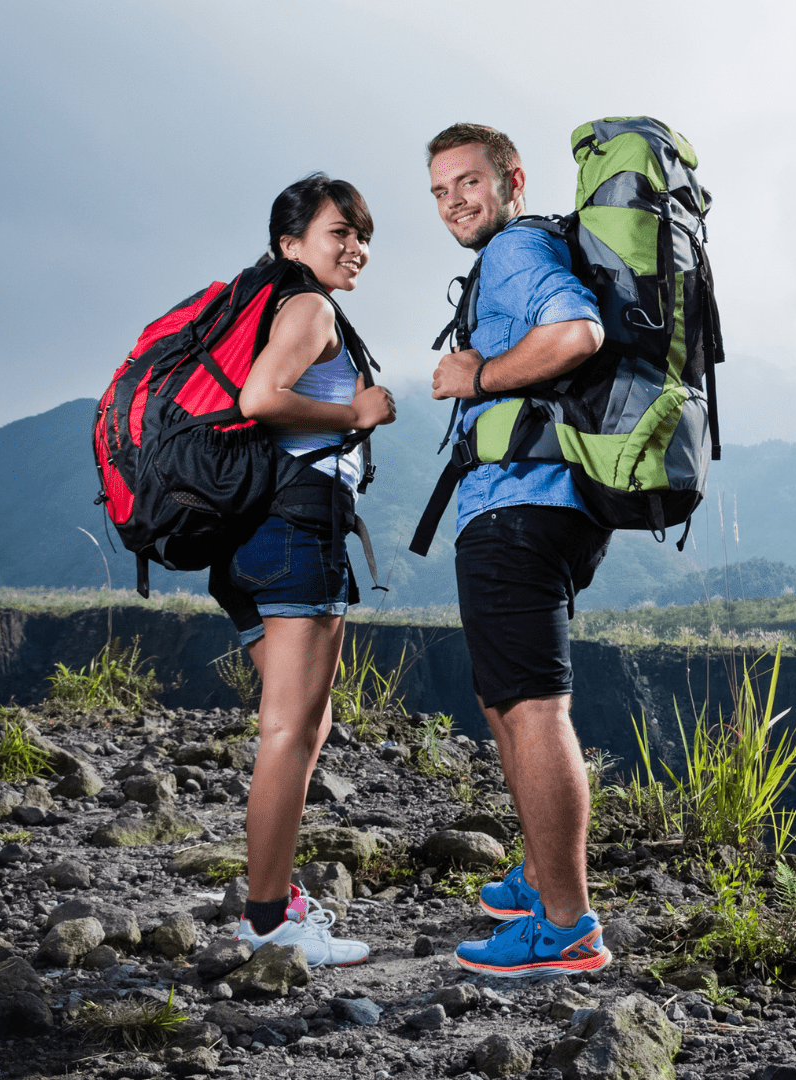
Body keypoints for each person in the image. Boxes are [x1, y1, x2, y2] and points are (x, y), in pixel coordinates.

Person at [425, 124, 613, 977]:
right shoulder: (516, 252)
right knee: (510, 702)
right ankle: (540, 880)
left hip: (523, 507)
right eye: (439, 190)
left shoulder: (513, 251)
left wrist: (479, 376)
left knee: (534, 707)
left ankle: (567, 926)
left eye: (468, 181)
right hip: (538, 507)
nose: (454, 200)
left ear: (512, 180)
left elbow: (576, 334)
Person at [209, 173, 395, 967]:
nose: (355, 248)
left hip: (248, 537)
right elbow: (260, 398)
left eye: (362, 236)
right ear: (291, 244)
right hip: (294, 532)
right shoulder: (309, 307)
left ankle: (273, 905)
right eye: (338, 233)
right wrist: (355, 412)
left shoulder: (266, 304)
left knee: (298, 726)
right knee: (292, 732)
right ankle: (267, 924)